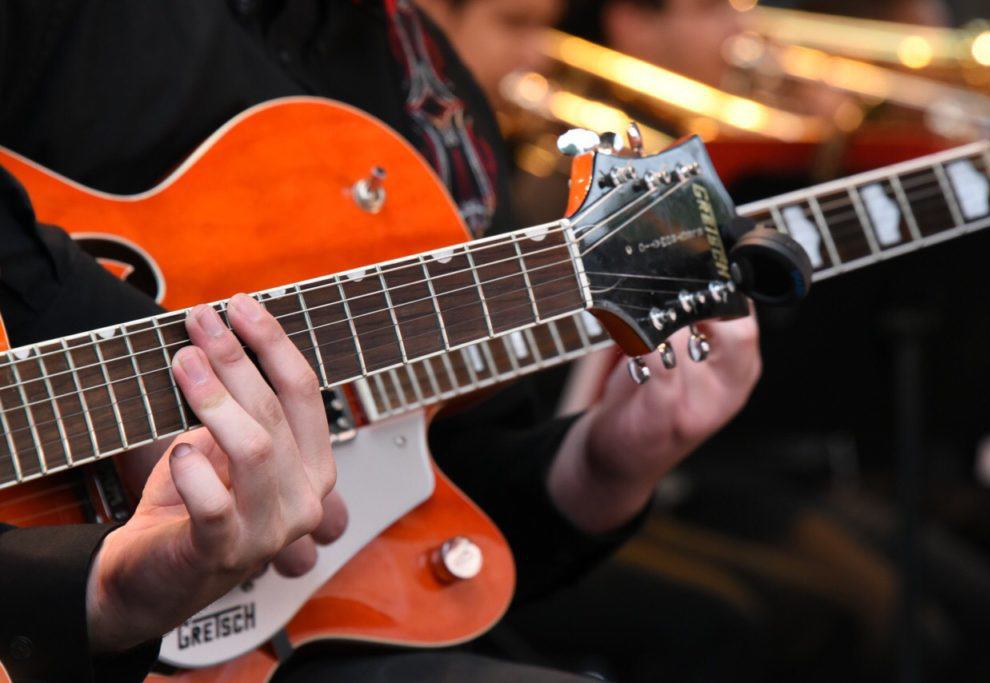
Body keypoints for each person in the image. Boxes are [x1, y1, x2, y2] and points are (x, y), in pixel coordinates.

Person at [0, 1, 761, 680]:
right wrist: (158, 375)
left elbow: (436, 502)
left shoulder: (429, 91)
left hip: (269, 630)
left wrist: (602, 463)